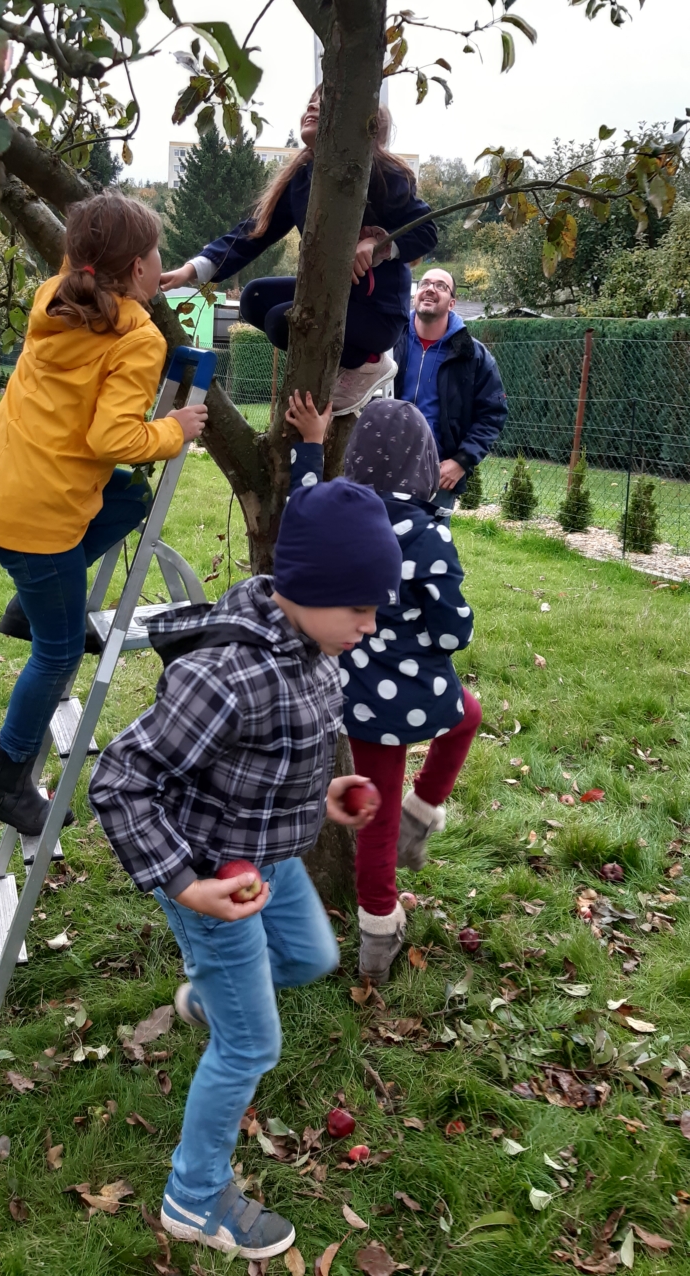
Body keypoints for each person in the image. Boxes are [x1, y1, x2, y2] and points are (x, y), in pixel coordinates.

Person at [88, 479, 403, 1260]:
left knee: (311, 954)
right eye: (359, 606)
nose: (371, 624)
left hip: (270, 859)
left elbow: (273, 759)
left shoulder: (319, 651)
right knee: (252, 1046)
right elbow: (120, 779)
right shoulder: (227, 676)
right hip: (213, 882)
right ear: (309, 588)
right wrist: (188, 885)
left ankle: (205, 1003)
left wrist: (322, 792)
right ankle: (194, 1198)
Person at [0, 191, 208, 838]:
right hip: (37, 516)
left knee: (129, 496)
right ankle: (4, 778)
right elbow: (112, 440)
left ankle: (28, 604)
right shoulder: (138, 337)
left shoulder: (55, 297)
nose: (163, 264)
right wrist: (174, 430)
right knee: (60, 649)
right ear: (136, 269)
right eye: (156, 254)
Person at [286, 390, 481, 984]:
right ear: (425, 465)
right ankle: (380, 922)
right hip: (408, 688)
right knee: (463, 720)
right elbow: (452, 634)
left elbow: (301, 502)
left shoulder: (335, 511)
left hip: (349, 689)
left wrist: (312, 445)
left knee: (376, 811)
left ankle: (411, 833)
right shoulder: (429, 534)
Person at [160, 89, 438, 416]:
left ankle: (367, 363)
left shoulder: (380, 173)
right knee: (254, 298)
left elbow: (427, 229)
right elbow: (252, 233)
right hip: (330, 293)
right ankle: (333, 364)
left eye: (326, 99)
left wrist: (377, 245)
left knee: (282, 322)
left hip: (376, 312)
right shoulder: (302, 178)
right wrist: (191, 271)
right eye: (311, 100)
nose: (312, 105)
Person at [393, 267, 508, 512]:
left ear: (452, 303)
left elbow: (493, 413)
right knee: (375, 547)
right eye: (425, 283)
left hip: (437, 473)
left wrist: (461, 462)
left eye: (441, 286)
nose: (430, 289)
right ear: (415, 295)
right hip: (384, 464)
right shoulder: (389, 340)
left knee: (427, 548)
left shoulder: (472, 355)